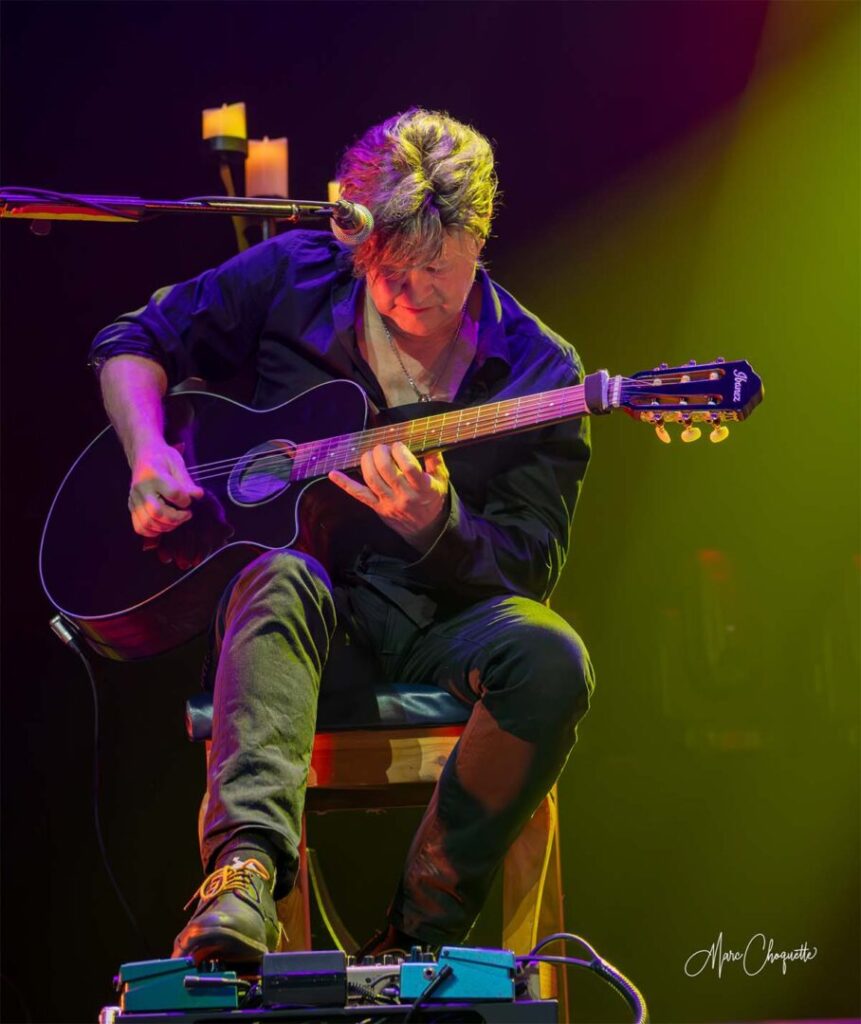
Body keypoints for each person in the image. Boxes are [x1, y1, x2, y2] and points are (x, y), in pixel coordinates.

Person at [89, 108, 595, 964]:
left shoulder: (541, 371)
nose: (408, 293)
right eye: (387, 270)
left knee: (554, 659)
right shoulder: (297, 274)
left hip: (446, 618)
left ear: (478, 236)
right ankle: (243, 879)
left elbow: (529, 563)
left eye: (434, 268)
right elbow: (133, 342)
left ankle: (416, 942)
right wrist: (148, 454)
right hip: (303, 620)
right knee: (280, 576)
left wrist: (437, 526)